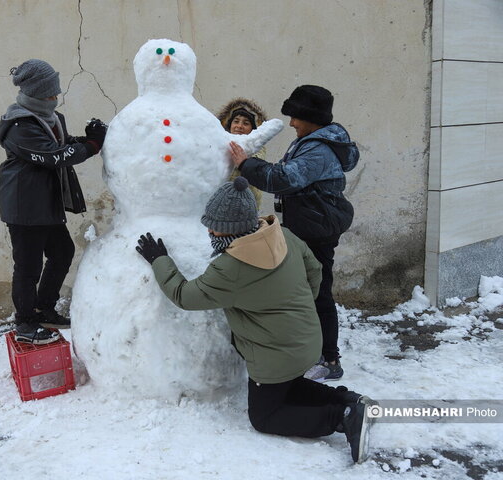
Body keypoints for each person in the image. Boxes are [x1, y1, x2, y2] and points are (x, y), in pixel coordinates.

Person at [135, 177, 374, 464]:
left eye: (215, 225)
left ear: (233, 229)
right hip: (308, 341)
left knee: (266, 416)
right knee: (289, 386)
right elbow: (315, 269)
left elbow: (185, 296)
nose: (209, 230)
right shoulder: (283, 235)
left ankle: (342, 418)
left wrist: (160, 260)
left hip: (274, 356)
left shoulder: (230, 268)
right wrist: (296, 306)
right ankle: (348, 401)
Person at [229, 85, 359, 381]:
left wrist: (245, 163)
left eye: (296, 117)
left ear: (310, 117)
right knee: (305, 290)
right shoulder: (311, 140)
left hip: (316, 229)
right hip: (308, 225)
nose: (291, 123)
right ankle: (308, 350)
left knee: (319, 291)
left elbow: (283, 178)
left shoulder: (319, 149)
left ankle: (329, 359)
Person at [0, 59, 107, 344]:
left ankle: (44, 307)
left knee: (62, 252)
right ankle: (25, 324)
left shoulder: (51, 118)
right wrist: (92, 146)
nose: (54, 99)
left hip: (46, 203)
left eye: (55, 94)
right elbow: (52, 156)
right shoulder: (19, 124)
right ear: (34, 93)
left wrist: (91, 138)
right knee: (28, 266)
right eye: (49, 94)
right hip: (25, 206)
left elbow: (64, 144)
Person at [216, 98, 267, 208]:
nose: (239, 126)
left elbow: (255, 163)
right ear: (229, 125)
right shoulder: (216, 143)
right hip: (219, 204)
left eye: (246, 123)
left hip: (245, 204)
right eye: (236, 121)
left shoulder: (257, 148)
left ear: (253, 129)